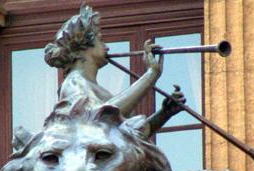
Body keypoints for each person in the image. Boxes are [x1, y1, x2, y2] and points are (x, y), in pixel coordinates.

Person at [44, 4, 185, 136]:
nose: (107, 47)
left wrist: (164, 113)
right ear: (83, 48)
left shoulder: (91, 87)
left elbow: (123, 135)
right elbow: (99, 120)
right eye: (101, 40)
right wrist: (150, 75)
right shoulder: (74, 82)